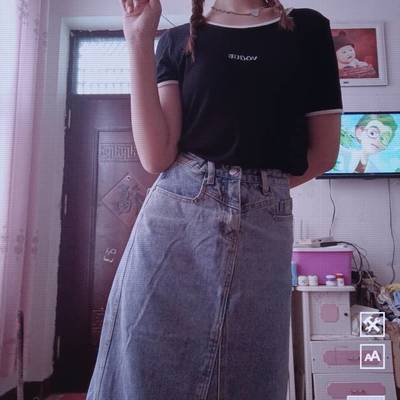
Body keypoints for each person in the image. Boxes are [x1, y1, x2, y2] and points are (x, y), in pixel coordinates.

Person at [86, 0, 343, 399]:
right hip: (175, 218)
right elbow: (156, 156)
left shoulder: (305, 29)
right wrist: (138, 38)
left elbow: (323, 153)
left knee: (250, 373)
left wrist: (256, 191)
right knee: (144, 372)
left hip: (264, 224)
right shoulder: (177, 40)